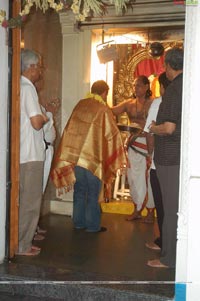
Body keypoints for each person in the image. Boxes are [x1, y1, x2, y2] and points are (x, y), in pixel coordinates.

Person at [51, 80, 127, 232]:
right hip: (94, 159)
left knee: (79, 190)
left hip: (77, 157)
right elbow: (111, 134)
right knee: (93, 192)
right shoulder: (103, 109)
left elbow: (70, 129)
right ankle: (92, 226)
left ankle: (78, 223)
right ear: (105, 93)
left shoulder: (80, 105)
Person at [147, 47, 183, 268]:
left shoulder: (173, 90)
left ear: (170, 66)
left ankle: (169, 258)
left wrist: (153, 128)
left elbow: (169, 128)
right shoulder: (188, 85)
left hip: (169, 158)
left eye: (165, 66)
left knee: (170, 210)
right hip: (179, 155)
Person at [17, 49, 48, 256]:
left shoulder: (17, 85)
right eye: (39, 66)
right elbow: (37, 123)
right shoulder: (27, 88)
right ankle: (22, 245)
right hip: (31, 155)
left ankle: (17, 242)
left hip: (21, 153)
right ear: (32, 67)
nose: (41, 71)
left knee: (21, 202)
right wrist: (46, 116)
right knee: (30, 202)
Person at [111, 75, 155, 222]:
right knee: (133, 178)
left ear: (146, 87)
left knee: (147, 178)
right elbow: (111, 111)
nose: (135, 89)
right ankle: (136, 209)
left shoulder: (153, 103)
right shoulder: (128, 104)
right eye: (134, 86)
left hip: (148, 143)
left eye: (139, 86)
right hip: (133, 144)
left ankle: (149, 212)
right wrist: (96, 102)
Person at [143, 72, 171, 251]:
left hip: (159, 161)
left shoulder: (159, 103)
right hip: (175, 161)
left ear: (161, 86)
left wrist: (150, 154)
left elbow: (149, 131)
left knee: (162, 204)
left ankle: (162, 241)